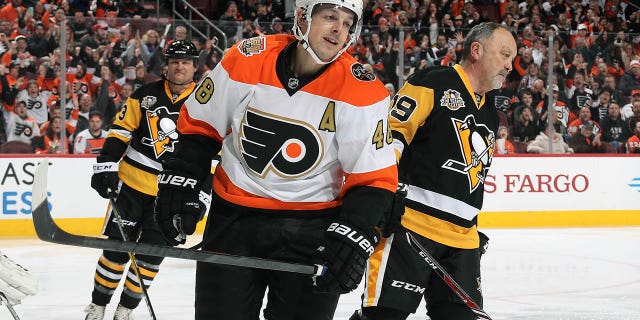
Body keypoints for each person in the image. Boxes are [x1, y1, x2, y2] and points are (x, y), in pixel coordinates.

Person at [153, 0, 398, 319]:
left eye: (348, 23)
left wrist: (354, 231)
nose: (339, 30)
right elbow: (202, 125)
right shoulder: (246, 58)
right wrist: (181, 179)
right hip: (233, 223)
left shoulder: (363, 92)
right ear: (302, 17)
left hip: (313, 231)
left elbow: (373, 178)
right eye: (330, 17)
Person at [351, 22, 517, 320]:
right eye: (505, 55)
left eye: (513, 59)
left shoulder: (491, 112)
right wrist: (380, 196)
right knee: (383, 316)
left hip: (462, 242)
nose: (510, 65)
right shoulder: (433, 82)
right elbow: (391, 138)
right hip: (408, 228)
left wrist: (470, 224)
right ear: (476, 50)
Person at [84, 40, 206, 320]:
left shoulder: (204, 102)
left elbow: (212, 153)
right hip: (131, 186)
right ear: (166, 65)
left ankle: (126, 310)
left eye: (186, 62)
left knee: (149, 259)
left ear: (194, 67)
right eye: (175, 61)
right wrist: (105, 165)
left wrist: (202, 195)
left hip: (173, 194)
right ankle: (98, 306)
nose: (179, 66)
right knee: (115, 251)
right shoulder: (145, 95)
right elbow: (121, 131)